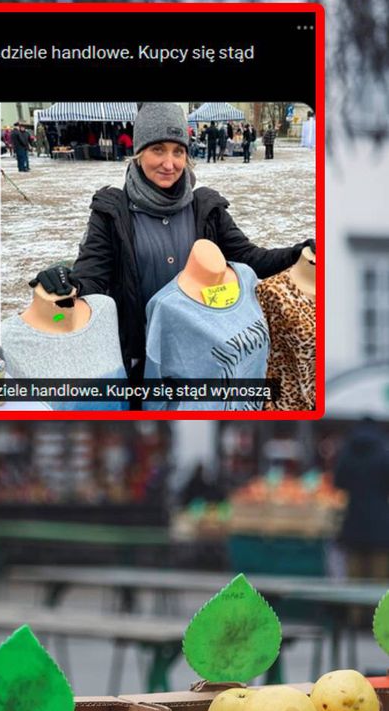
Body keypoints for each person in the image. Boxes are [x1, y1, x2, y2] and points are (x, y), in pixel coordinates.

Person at [66, 101, 314, 381]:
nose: (169, 164)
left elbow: (250, 258)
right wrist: (67, 285)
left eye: (178, 151)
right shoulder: (113, 212)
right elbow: (91, 279)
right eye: (157, 149)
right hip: (141, 356)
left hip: (201, 352)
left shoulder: (206, 208)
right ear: (138, 153)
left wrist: (299, 252)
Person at [336, 421, 389, 580]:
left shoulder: (347, 454)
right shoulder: (383, 455)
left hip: (353, 521)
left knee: (354, 580)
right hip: (381, 525)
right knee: (379, 580)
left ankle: (355, 606)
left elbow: (338, 482)